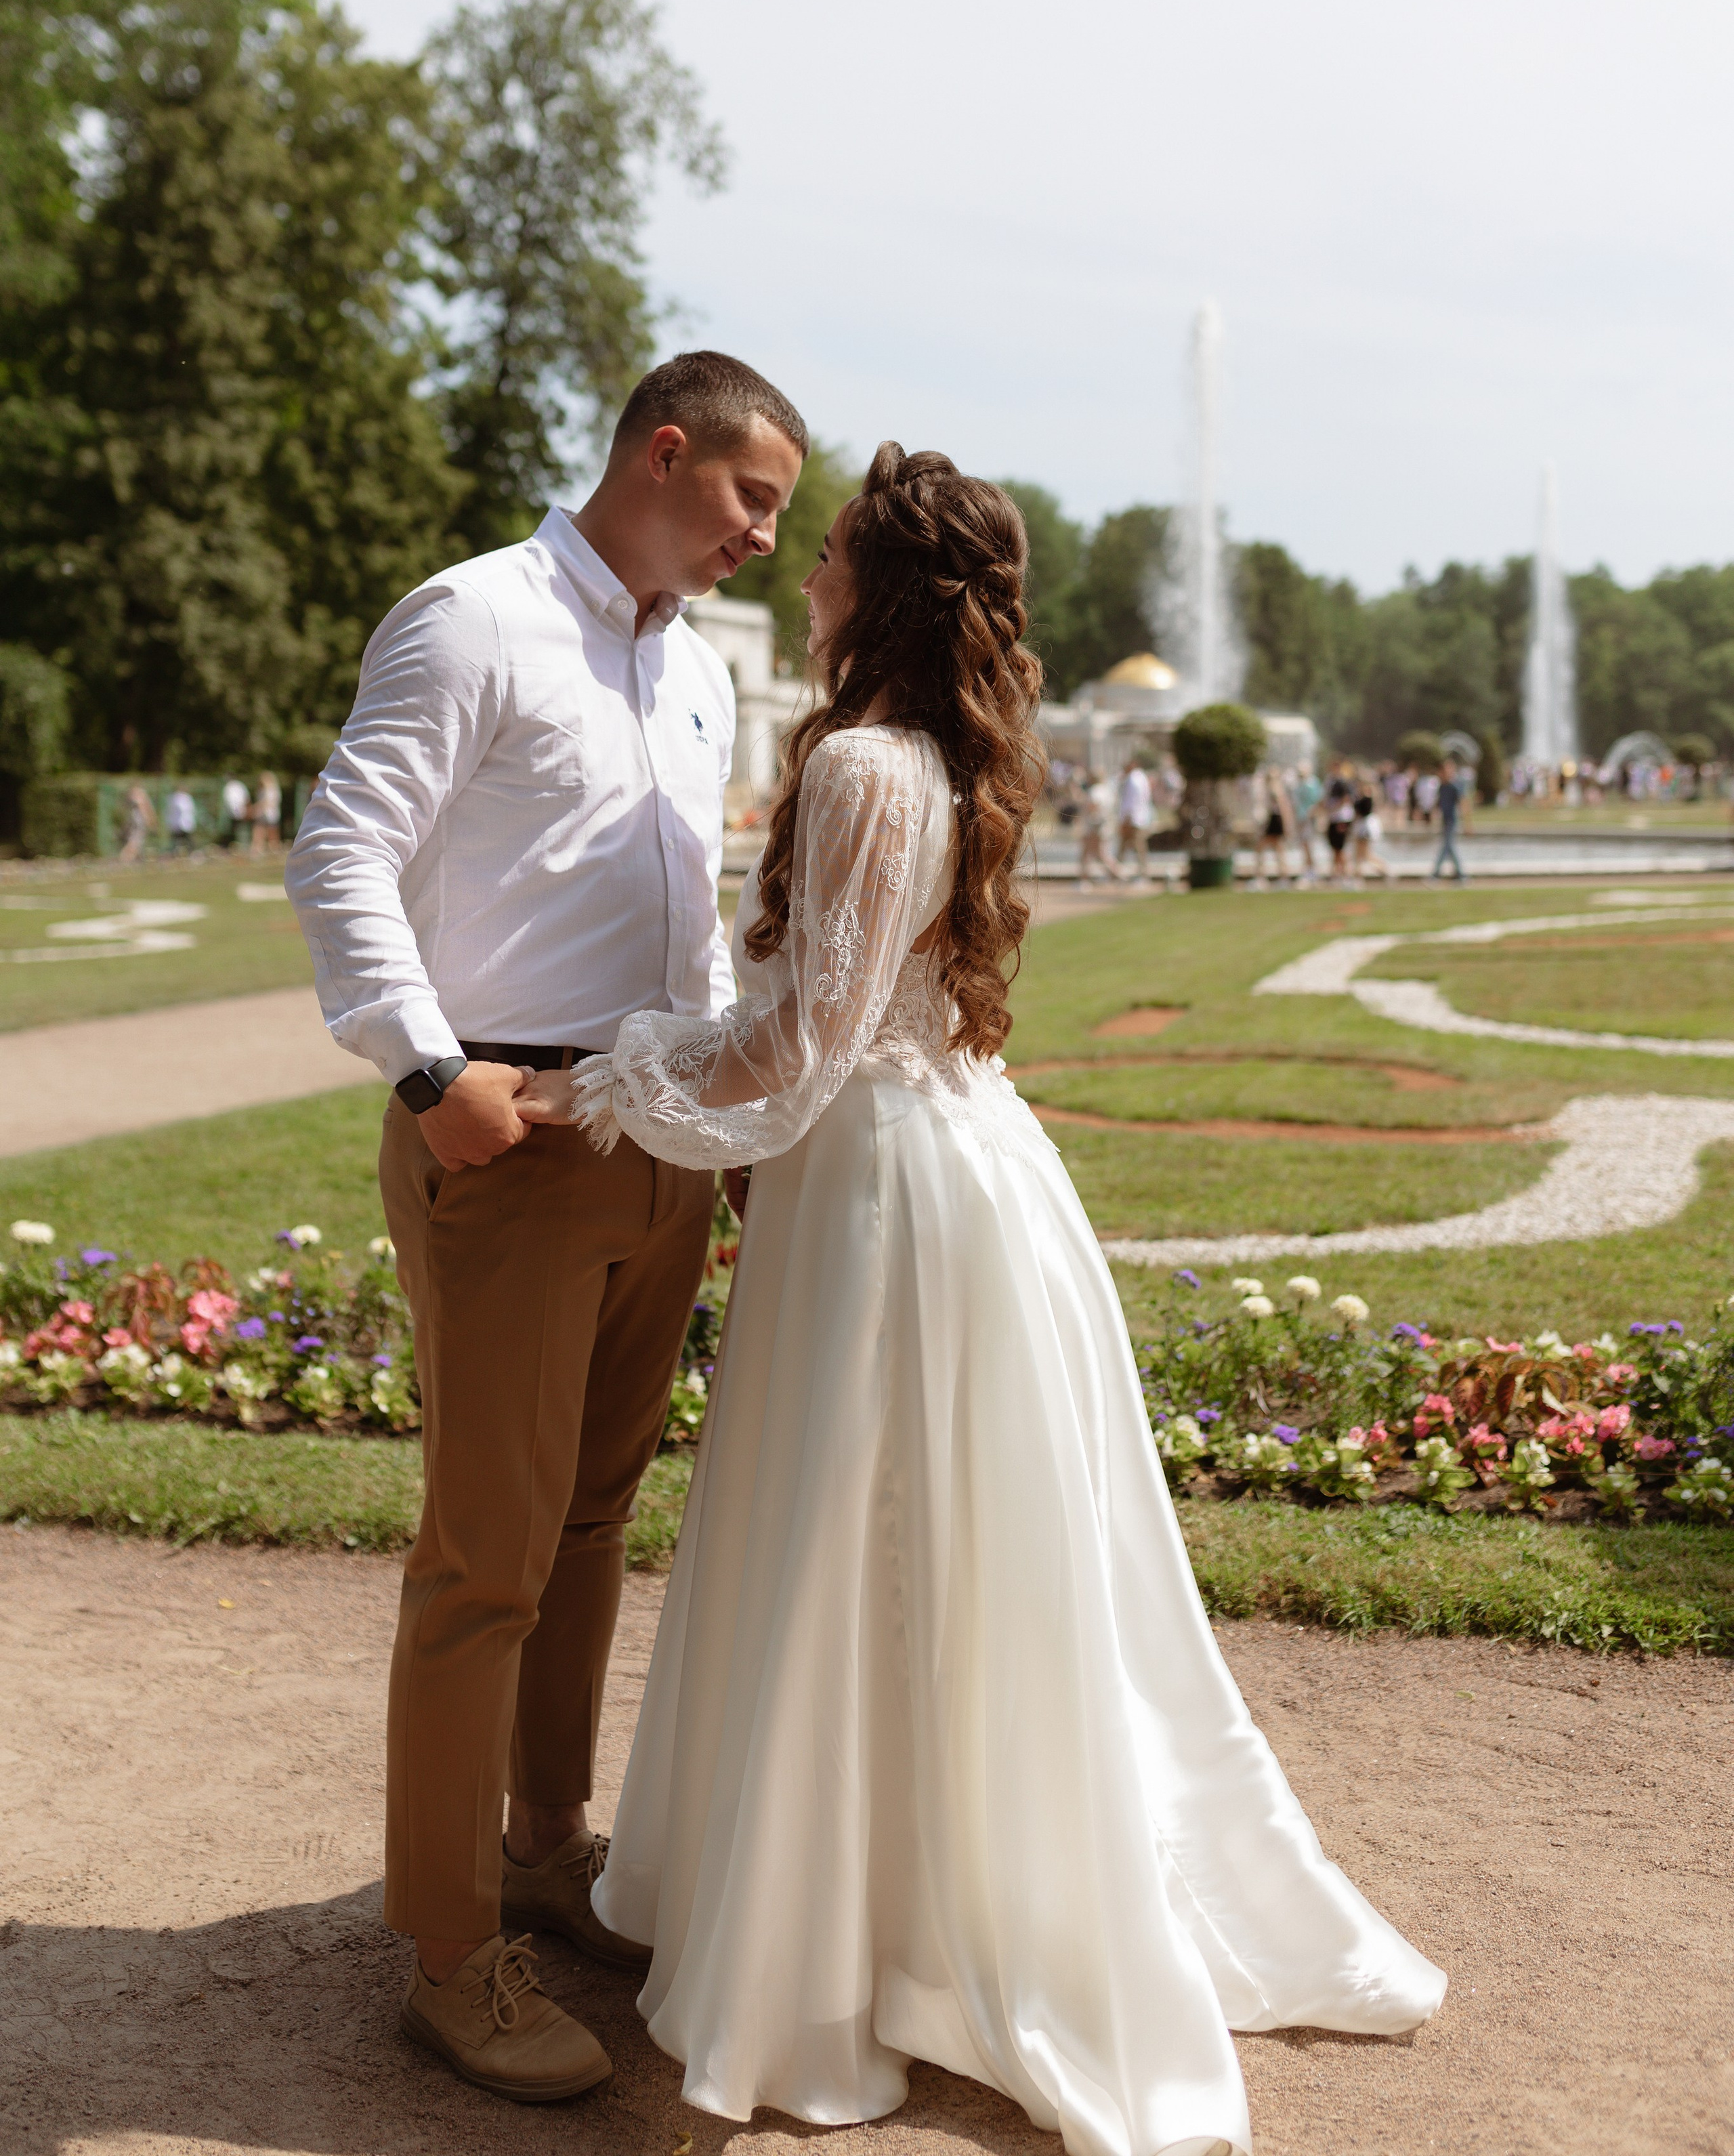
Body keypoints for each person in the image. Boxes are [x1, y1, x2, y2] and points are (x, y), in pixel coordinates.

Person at [515, 445, 1445, 2153]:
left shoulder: (863, 764)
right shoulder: (935, 758)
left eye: (829, 552)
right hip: (942, 1165)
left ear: (880, 588)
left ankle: (847, 1943)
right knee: (941, 1553)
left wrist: (609, 1079)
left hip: (885, 1197)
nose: (802, 572)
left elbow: (805, 1048)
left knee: (857, 1536)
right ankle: (905, 1910)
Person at [285, 350, 808, 2105]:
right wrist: (427, 1070)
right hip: (504, 1135)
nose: (762, 536)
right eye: (750, 498)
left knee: (589, 1525)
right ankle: (449, 1956)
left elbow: (692, 926)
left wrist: (727, 1118)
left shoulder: (695, 669)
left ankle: (539, 1848)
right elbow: (341, 850)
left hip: (657, 1134)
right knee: (483, 1564)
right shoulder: (473, 619)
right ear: (664, 453)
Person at [1114, 755, 1153, 879]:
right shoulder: (1142, 777)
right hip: (1139, 817)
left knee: (1137, 845)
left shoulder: (1133, 779)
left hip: (1133, 819)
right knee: (1127, 846)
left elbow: (1131, 801)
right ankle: (1117, 871)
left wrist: (1127, 818)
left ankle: (1142, 873)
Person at [1076, 769, 1118, 881]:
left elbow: (1094, 806)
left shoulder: (1095, 790)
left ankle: (1084, 878)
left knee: (1090, 852)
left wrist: (1086, 813)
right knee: (1098, 853)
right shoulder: (1107, 790)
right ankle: (1115, 874)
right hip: (1104, 824)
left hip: (1095, 825)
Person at [1433, 754, 1466, 880]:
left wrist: (1467, 824)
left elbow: (1463, 803)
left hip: (1452, 821)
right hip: (1445, 820)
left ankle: (1435, 874)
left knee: (1447, 846)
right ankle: (1460, 874)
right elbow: (1439, 803)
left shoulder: (1454, 786)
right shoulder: (1442, 786)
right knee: (1450, 847)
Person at [251, 769, 282, 853]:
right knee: (261, 830)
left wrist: (256, 808)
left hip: (269, 814)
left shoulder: (271, 790)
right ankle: (259, 847)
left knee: (270, 833)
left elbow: (270, 802)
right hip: (264, 814)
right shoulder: (263, 790)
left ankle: (269, 848)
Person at [165, 784, 198, 856]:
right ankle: (177, 852)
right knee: (178, 839)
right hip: (180, 822)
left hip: (183, 822)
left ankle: (189, 852)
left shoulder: (180, 797)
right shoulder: (178, 798)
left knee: (185, 839)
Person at [221, 775, 251, 849]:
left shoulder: (231, 787)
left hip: (237, 811)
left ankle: (242, 845)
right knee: (238, 829)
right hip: (237, 811)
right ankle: (239, 845)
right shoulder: (237, 786)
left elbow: (231, 802)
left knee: (240, 829)